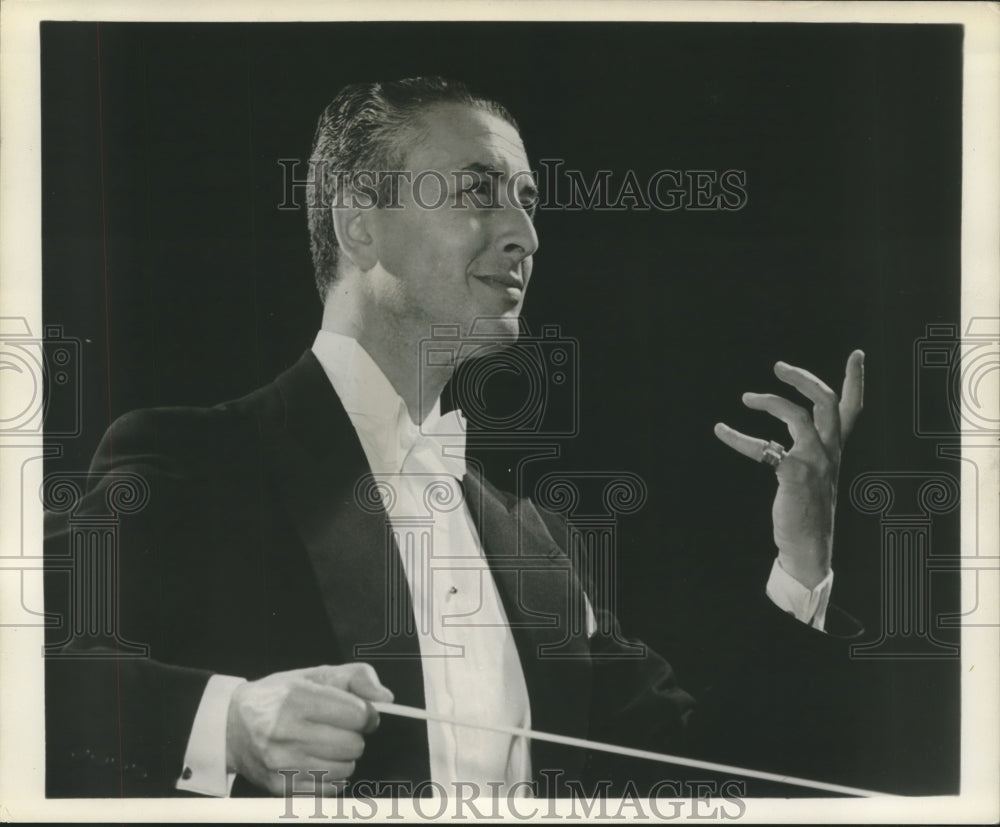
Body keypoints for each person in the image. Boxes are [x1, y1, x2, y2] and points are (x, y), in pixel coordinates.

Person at [44, 76, 865, 799]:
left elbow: (716, 781)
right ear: (361, 226)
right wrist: (227, 719)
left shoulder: (541, 548)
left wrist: (803, 565)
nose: (527, 237)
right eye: (480, 192)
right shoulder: (190, 458)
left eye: (529, 202)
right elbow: (31, 682)